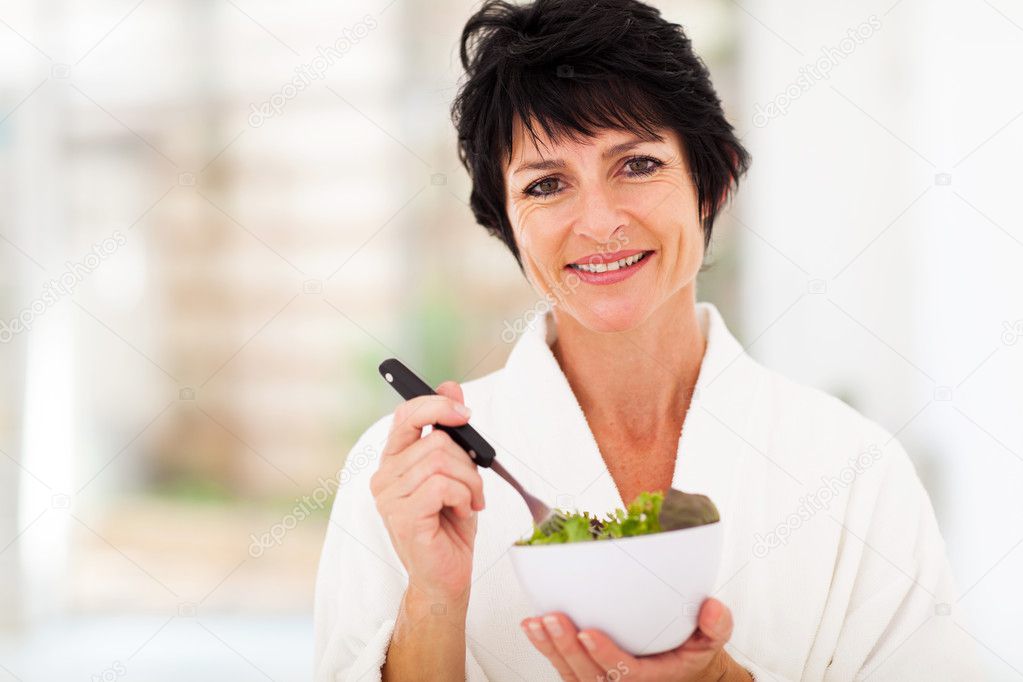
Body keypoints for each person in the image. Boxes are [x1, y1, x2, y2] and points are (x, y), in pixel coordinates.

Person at [314, 0, 981, 679]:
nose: (599, 223)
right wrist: (432, 599)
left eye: (635, 165)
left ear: (711, 179)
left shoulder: (853, 469)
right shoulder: (410, 483)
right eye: (546, 185)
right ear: (506, 222)